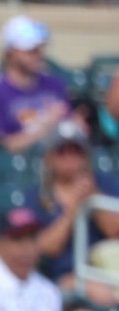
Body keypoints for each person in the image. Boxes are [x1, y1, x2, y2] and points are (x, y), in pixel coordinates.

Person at [23, 123, 119, 301]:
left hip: (108, 270)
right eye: (61, 152)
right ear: (49, 157)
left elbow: (115, 231)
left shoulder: (105, 183)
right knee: (97, 293)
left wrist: (92, 198)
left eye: (76, 151)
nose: (69, 158)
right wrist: (72, 211)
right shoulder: (37, 196)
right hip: (61, 277)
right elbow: (44, 249)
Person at [0, 16, 74, 154]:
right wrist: (47, 125)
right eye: (30, 50)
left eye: (39, 49)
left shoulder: (54, 85)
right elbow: (2, 147)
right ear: (9, 52)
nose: (38, 55)